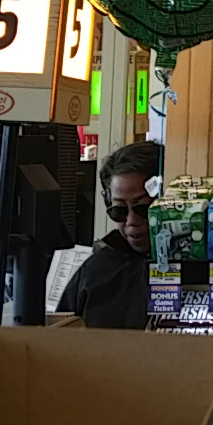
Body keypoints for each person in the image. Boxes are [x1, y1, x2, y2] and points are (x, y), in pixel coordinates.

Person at [56, 141, 157, 329]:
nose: (131, 221)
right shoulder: (94, 272)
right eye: (119, 210)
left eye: (143, 208)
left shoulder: (199, 265)